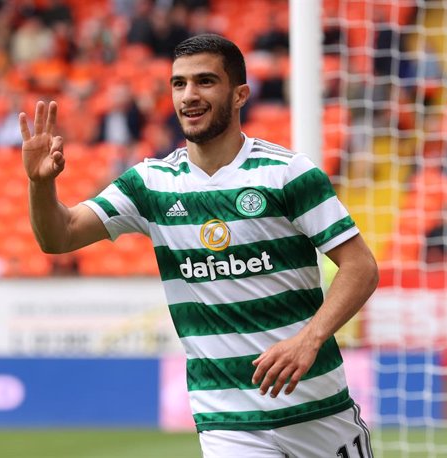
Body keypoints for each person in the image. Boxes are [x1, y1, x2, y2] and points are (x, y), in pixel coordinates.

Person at [19, 34, 378, 457]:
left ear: (240, 94)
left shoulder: (287, 174)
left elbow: (361, 267)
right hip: (226, 422)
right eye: (179, 83)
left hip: (317, 410)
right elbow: (59, 236)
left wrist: (309, 339)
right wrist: (41, 185)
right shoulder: (150, 183)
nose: (189, 95)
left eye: (205, 81)